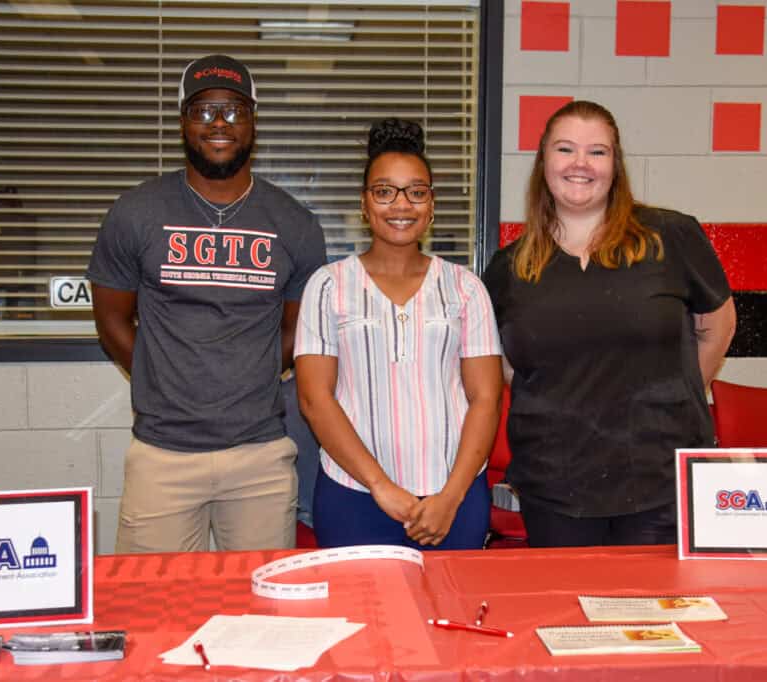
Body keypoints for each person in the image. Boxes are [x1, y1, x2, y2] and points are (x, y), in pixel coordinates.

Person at [86, 54, 327, 553]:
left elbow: (298, 332)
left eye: (234, 110)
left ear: (253, 122)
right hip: (163, 454)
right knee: (151, 596)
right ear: (183, 121)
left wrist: (247, 378)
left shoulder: (295, 224)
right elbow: (111, 321)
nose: (220, 123)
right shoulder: (135, 212)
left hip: (259, 454)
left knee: (261, 596)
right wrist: (163, 378)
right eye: (204, 110)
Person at [482, 100, 736, 548]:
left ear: (615, 165)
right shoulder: (509, 267)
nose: (580, 163)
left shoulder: (671, 236)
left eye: (597, 152)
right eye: (565, 149)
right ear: (543, 162)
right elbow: (505, 365)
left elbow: (718, 327)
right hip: (554, 486)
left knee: (655, 597)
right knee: (568, 597)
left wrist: (672, 399)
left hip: (660, 483)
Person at [294, 119, 503, 550]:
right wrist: (381, 486)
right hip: (354, 496)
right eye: (384, 191)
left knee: (450, 596)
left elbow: (486, 398)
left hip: (453, 500)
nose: (401, 204)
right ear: (365, 204)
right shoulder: (328, 286)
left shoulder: (466, 288)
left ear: (431, 203)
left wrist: (451, 497)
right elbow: (315, 399)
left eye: (416, 192)